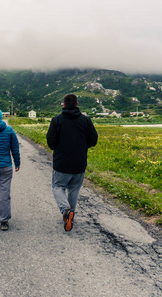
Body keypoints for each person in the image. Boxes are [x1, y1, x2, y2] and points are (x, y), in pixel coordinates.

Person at [46, 94, 98, 232]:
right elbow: (93, 140)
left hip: (62, 163)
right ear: (77, 103)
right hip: (79, 163)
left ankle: (66, 210)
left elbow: (51, 143)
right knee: (74, 189)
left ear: (63, 104)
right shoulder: (86, 120)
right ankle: (71, 215)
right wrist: (81, 146)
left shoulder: (56, 120)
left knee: (58, 187)